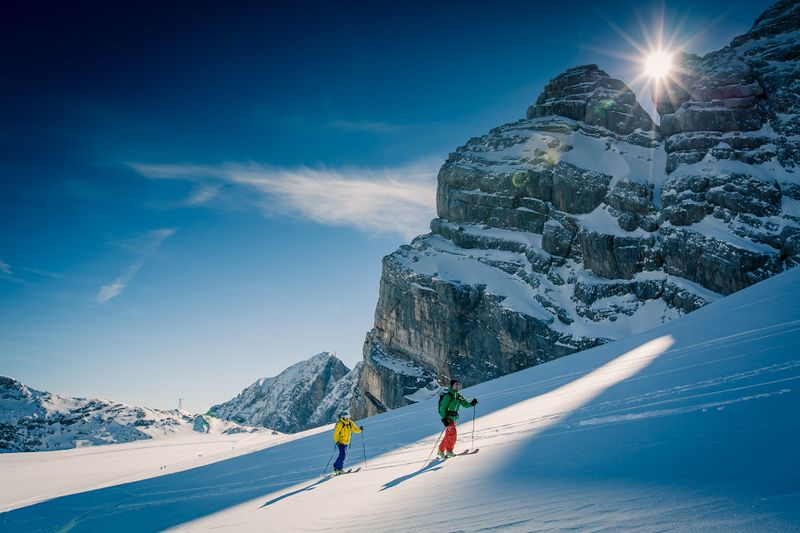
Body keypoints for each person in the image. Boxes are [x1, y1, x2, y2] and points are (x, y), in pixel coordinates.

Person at [438, 379, 478, 459]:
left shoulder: (459, 396)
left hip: (453, 419)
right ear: (451, 386)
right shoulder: (448, 396)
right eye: (455, 384)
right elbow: (442, 408)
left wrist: (472, 404)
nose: (457, 386)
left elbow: (465, 404)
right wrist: (444, 419)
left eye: (457, 384)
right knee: (453, 434)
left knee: (448, 435)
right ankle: (449, 451)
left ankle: (441, 451)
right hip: (448, 419)